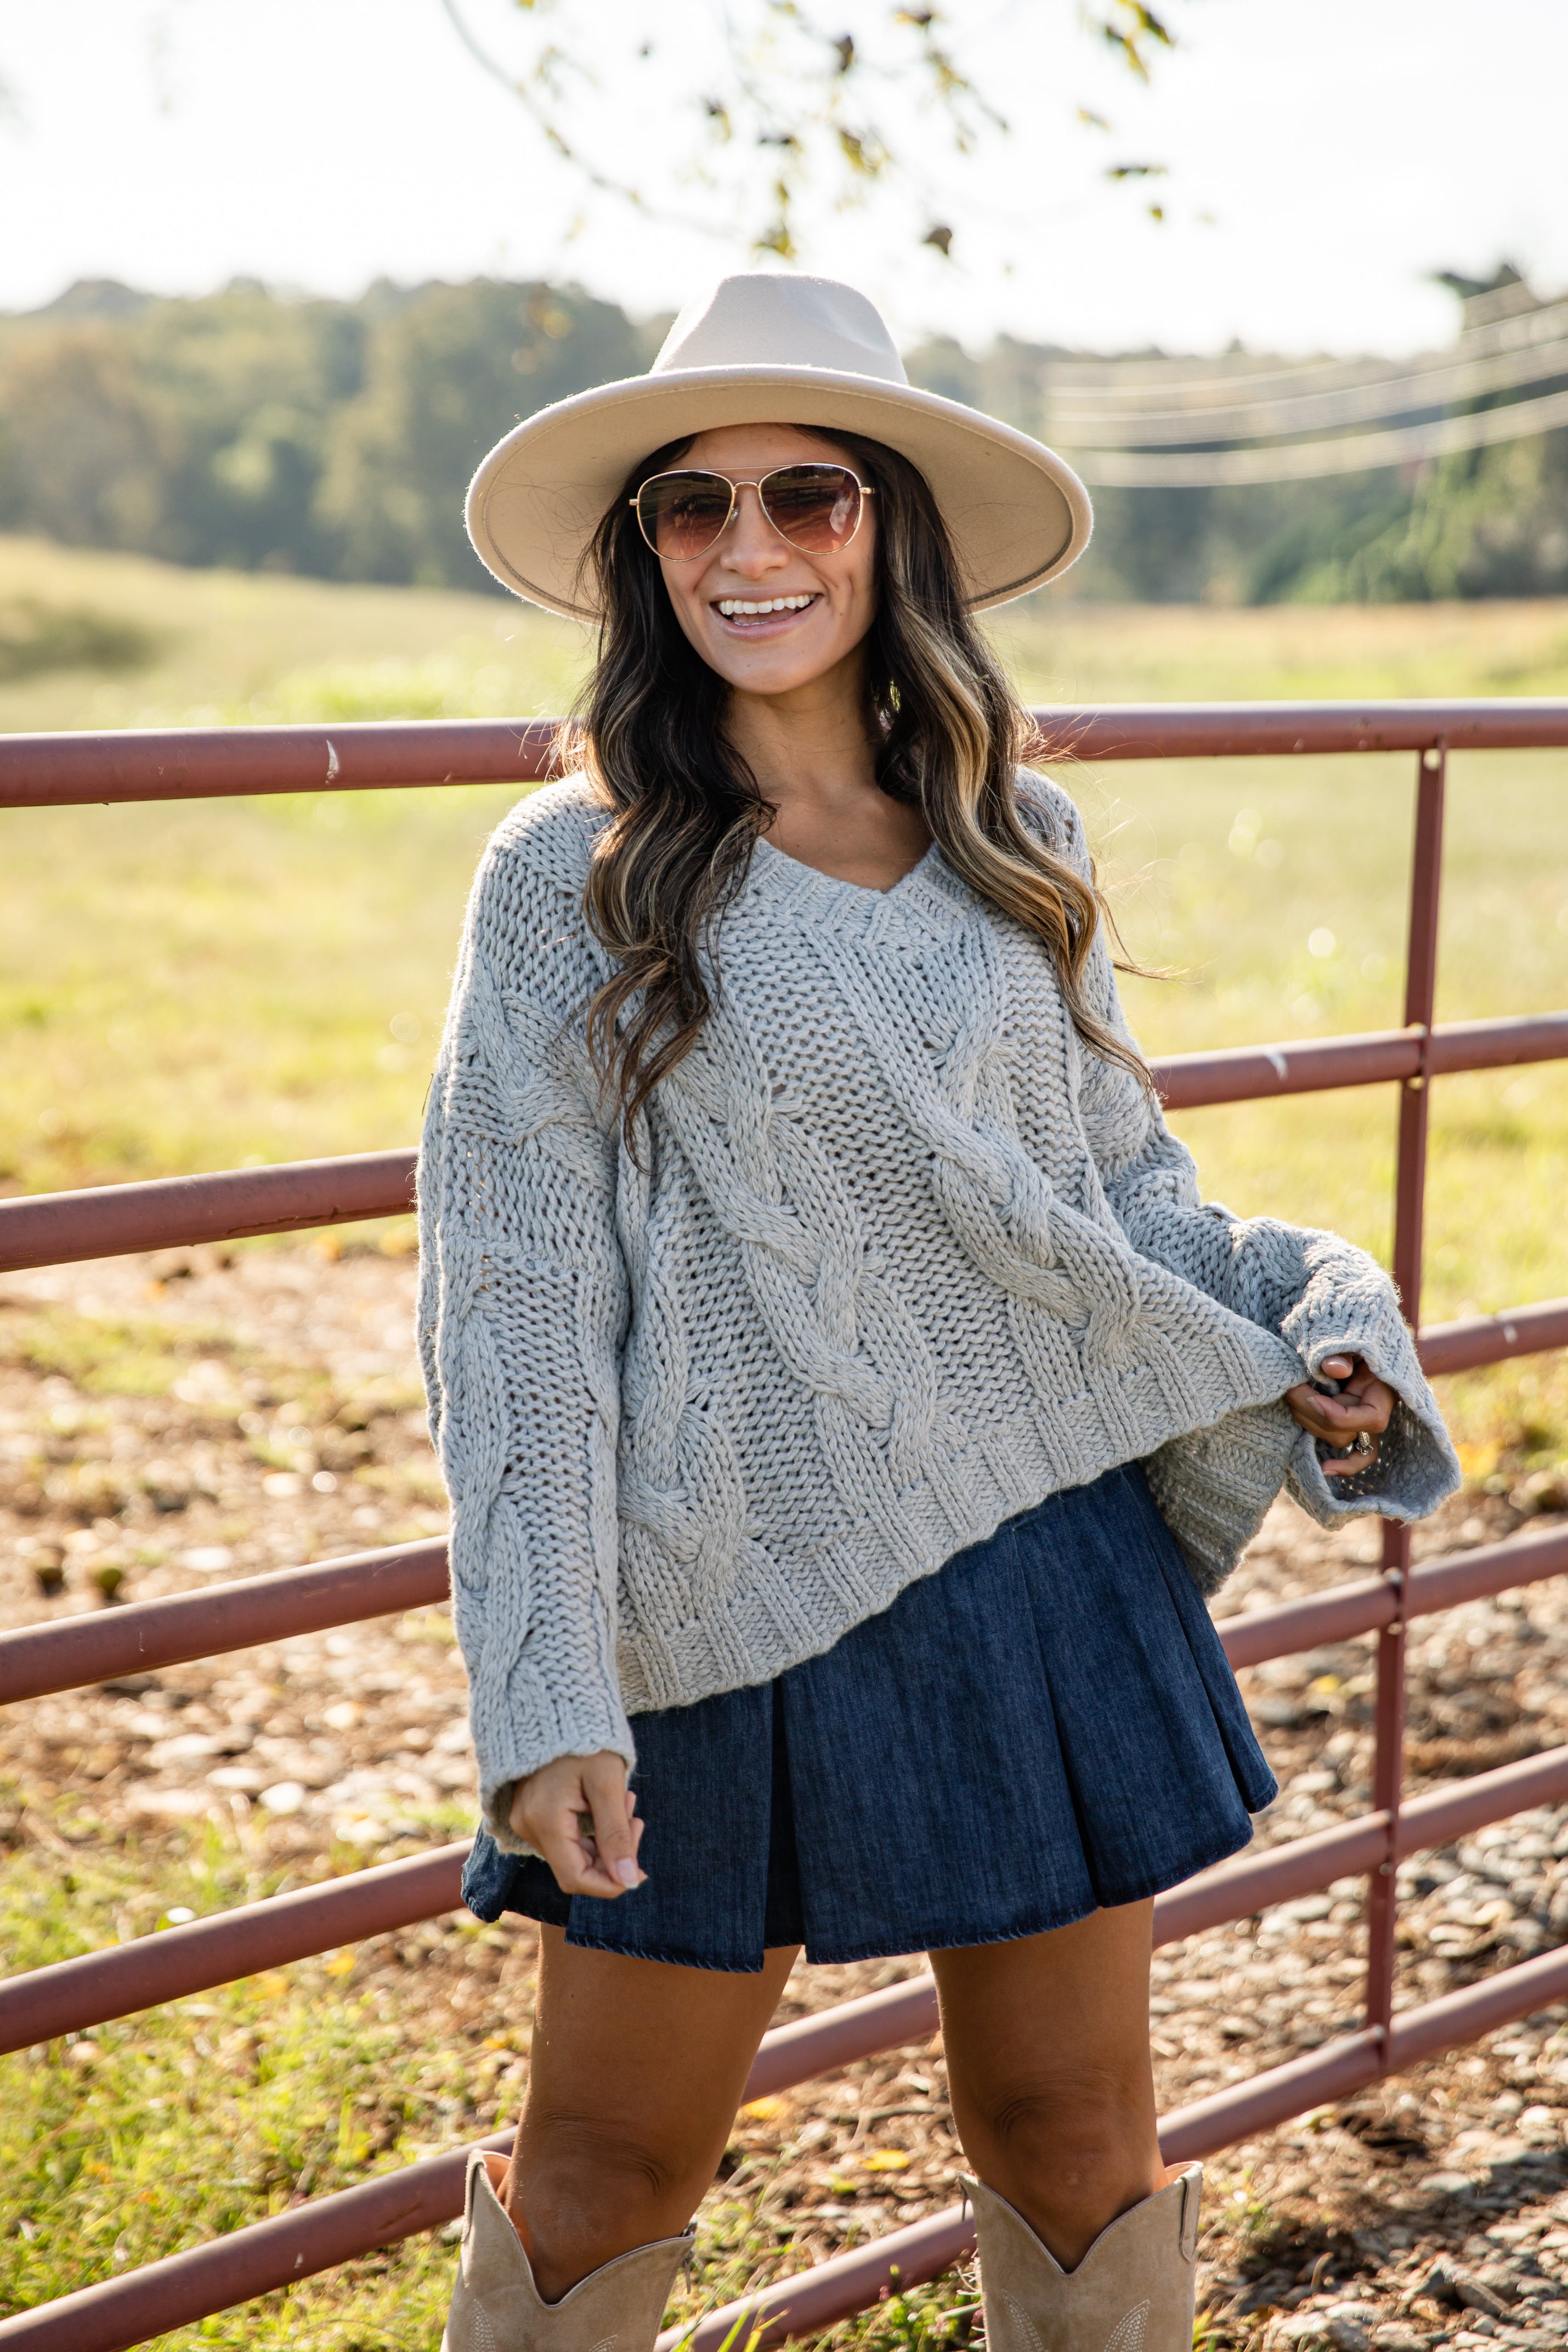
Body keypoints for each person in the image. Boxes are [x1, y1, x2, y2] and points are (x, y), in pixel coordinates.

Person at [418, 274, 1459, 2352]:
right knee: (603, 2177)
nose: (750, 549)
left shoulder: (1016, 837)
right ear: (642, 560)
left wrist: (1297, 1320)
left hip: (1032, 1559)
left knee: (1072, 2133)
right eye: (690, 511)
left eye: (808, 496)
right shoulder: (578, 875)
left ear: (889, 531)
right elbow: (513, 1297)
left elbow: (1112, 1196)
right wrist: (543, 1689)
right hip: (713, 1590)